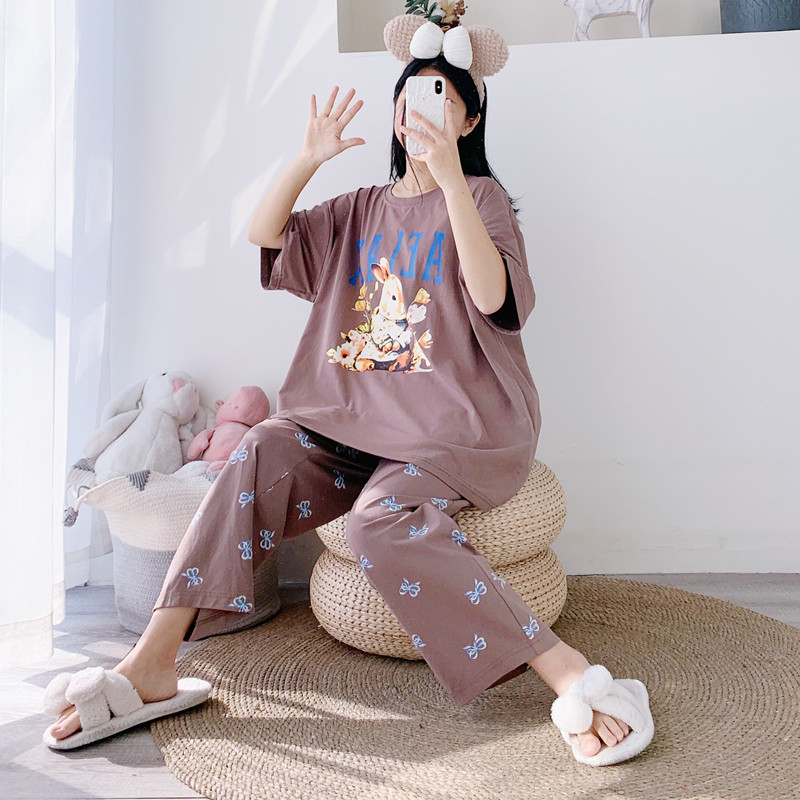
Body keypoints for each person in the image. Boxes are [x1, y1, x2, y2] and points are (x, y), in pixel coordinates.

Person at [44, 8, 653, 768]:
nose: (423, 106)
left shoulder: (483, 201)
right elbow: (265, 236)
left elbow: (494, 297)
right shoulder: (361, 208)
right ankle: (153, 662)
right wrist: (307, 158)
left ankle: (565, 670)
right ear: (397, 113)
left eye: (444, 94)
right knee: (258, 450)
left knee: (377, 524)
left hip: (452, 426)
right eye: (413, 93)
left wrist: (452, 181)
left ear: (469, 118)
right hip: (345, 419)